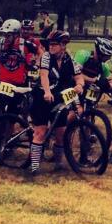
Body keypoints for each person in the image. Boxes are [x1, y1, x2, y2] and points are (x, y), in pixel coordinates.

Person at [29, 30, 83, 174]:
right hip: (42, 96)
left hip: (59, 97)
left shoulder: (69, 59)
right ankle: (34, 167)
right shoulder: (46, 57)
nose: (50, 47)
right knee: (40, 132)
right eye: (49, 45)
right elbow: (44, 75)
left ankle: (58, 163)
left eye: (54, 45)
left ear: (63, 45)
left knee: (61, 132)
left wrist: (79, 85)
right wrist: (47, 91)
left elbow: (79, 76)